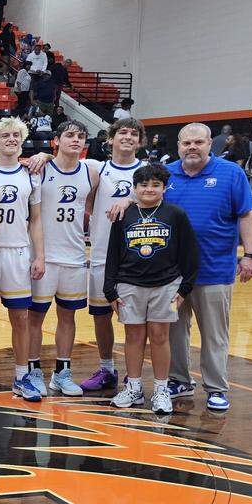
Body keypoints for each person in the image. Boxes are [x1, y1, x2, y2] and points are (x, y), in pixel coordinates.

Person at [163, 122, 252, 411]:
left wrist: (250, 255)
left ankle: (216, 387)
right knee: (174, 330)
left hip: (214, 269)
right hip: (172, 273)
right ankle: (178, 380)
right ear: (179, 146)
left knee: (214, 333)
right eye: (186, 143)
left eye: (198, 142)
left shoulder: (231, 173)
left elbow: (246, 215)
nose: (192, 147)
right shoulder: (166, 175)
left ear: (209, 145)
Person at [104, 163, 198, 414]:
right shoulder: (126, 215)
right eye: (144, 185)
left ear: (164, 187)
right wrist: (109, 289)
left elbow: (189, 254)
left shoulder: (175, 215)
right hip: (129, 284)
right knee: (133, 336)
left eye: (155, 185)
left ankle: (160, 389)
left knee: (159, 335)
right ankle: (134, 388)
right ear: (134, 188)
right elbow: (113, 253)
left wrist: (184, 288)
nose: (149, 189)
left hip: (166, 286)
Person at [0, 117, 44, 400]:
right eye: (5, 136)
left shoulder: (31, 175)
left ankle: (21, 376)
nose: (11, 140)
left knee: (21, 318)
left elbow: (35, 220)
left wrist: (40, 256)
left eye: (16, 135)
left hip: (18, 252)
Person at [27, 120, 100, 397]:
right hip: (44, 256)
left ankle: (62, 372)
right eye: (69, 135)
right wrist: (42, 155)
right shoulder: (41, 169)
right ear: (56, 140)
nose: (76, 140)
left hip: (75, 256)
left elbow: (91, 207)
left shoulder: (91, 173)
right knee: (36, 317)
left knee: (68, 317)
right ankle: (33, 371)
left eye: (81, 136)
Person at [78, 117, 146, 391]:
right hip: (102, 254)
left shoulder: (148, 171)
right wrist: (45, 153)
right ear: (111, 139)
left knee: (134, 319)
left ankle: (134, 374)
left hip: (137, 258)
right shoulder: (97, 169)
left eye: (133, 134)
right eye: (122, 133)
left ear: (140, 142)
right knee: (101, 315)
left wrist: (129, 199)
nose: (127, 137)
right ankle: (107, 369)